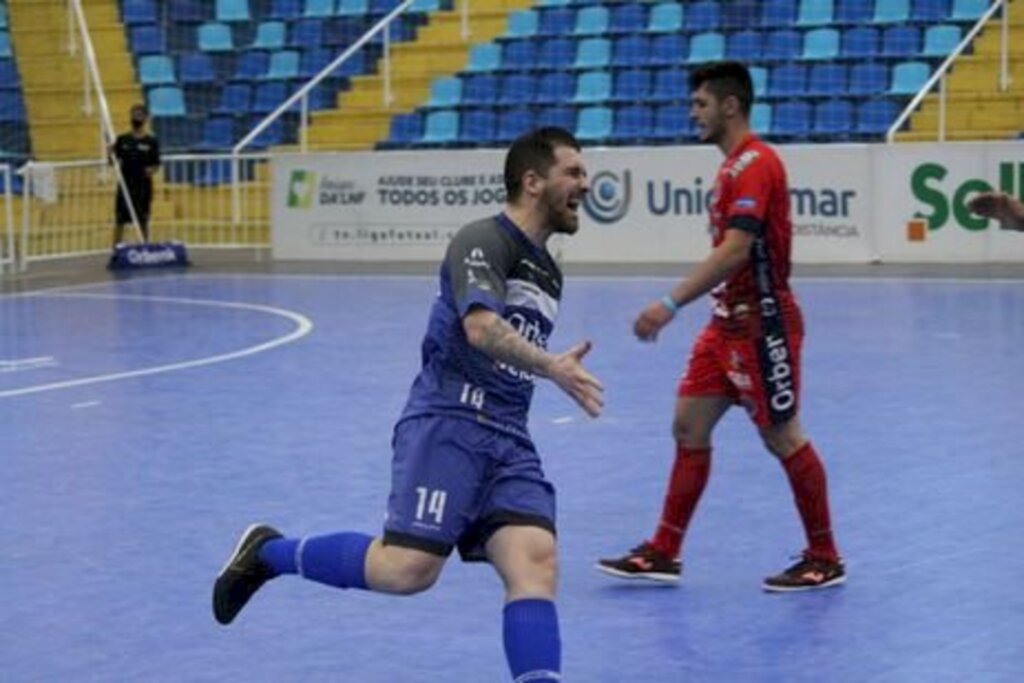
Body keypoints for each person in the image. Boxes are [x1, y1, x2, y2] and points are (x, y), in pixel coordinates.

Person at [213, 127, 602, 682]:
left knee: (536, 562)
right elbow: (481, 328)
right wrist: (553, 366)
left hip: (510, 436)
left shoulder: (549, 270)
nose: (585, 185)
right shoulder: (482, 240)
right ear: (533, 181)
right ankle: (269, 553)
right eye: (574, 172)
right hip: (449, 422)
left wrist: (541, 371)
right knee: (408, 570)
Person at [596, 61, 845, 592]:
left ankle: (825, 557)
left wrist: (669, 302)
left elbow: (737, 249)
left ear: (730, 106)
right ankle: (664, 551)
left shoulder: (756, 164)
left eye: (700, 104)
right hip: (724, 324)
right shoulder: (731, 167)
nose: (692, 114)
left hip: (763, 325)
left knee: (783, 436)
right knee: (688, 424)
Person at [109, 104, 160, 250]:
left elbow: (156, 165)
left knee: (143, 220)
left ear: (145, 118)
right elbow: (112, 162)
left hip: (143, 187)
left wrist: (148, 171)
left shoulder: (151, 142)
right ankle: (116, 250)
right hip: (125, 186)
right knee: (120, 220)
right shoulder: (122, 140)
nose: (136, 117)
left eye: (139, 114)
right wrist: (110, 152)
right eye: (134, 114)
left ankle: (144, 248)